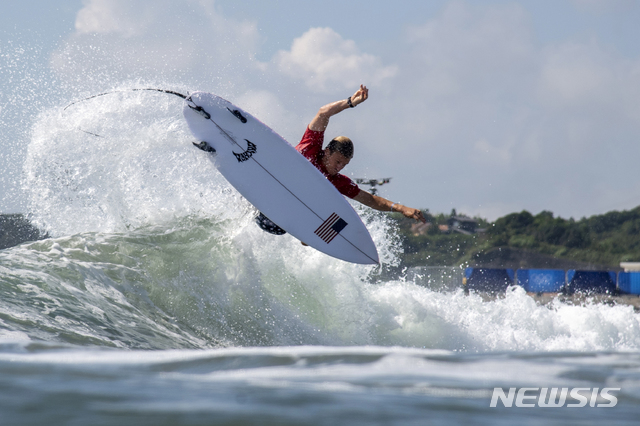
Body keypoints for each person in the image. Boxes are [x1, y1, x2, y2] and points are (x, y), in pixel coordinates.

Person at [256, 84, 426, 234]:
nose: (340, 167)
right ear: (327, 151)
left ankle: (309, 231)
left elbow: (370, 199)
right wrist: (350, 102)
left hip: (279, 219)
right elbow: (323, 113)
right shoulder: (310, 147)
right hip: (268, 187)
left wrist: (401, 208)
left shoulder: (336, 181)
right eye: (338, 162)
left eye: (344, 165)